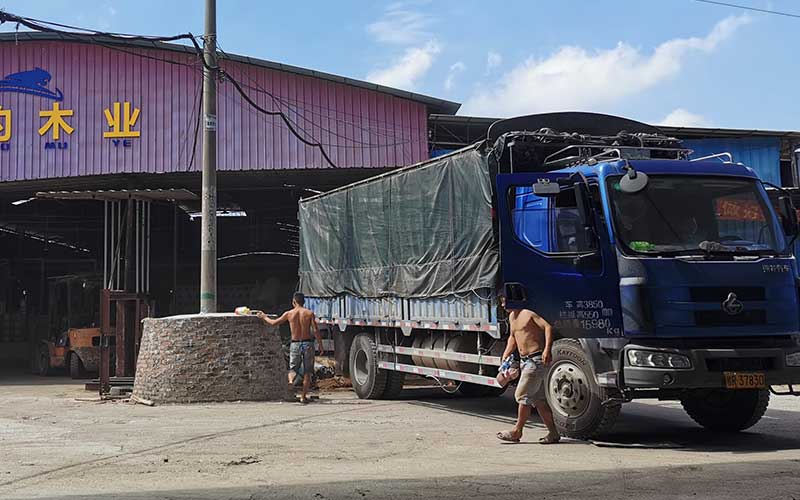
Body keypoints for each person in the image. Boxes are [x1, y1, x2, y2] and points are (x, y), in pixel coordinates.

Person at [496, 295, 560, 444]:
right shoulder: (512, 317)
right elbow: (513, 337)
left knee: (522, 395)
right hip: (525, 362)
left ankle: (517, 431)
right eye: (502, 302)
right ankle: (553, 433)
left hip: (535, 360)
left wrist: (547, 350)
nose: (503, 305)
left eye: (505, 301)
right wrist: (506, 355)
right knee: (539, 400)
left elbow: (548, 327)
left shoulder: (528, 313)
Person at [258, 292, 323, 404]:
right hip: (307, 344)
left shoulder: (289, 314)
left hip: (295, 343)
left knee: (293, 368)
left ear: (294, 302)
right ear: (304, 302)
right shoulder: (309, 313)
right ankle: (303, 397)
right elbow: (316, 330)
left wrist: (264, 317)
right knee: (308, 372)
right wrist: (320, 344)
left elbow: (274, 323)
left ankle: (290, 381)